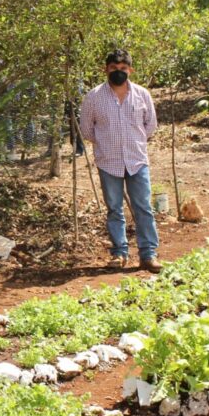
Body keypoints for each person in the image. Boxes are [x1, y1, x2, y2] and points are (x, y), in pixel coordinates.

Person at [79, 49, 162, 273]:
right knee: (114, 209)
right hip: (108, 161)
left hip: (137, 160)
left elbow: (150, 125)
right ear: (105, 69)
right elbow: (87, 129)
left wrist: (135, 141)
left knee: (143, 207)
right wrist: (106, 144)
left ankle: (148, 254)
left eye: (123, 68)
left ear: (130, 70)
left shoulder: (142, 94)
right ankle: (119, 253)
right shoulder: (94, 97)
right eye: (114, 68)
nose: (118, 72)